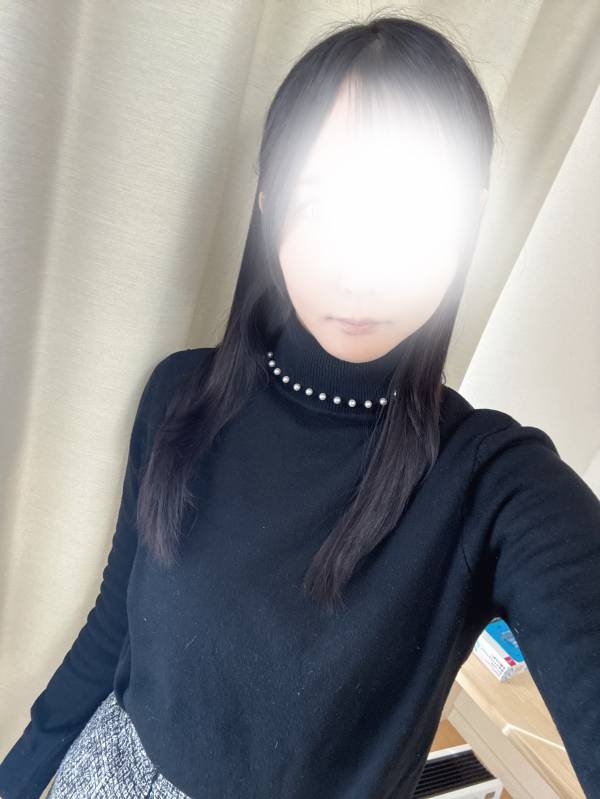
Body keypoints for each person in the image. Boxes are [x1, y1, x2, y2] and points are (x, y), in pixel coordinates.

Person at [1, 13, 599, 799]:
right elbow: (114, 627)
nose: (359, 269)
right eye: (320, 207)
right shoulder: (179, 396)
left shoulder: (494, 483)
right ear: (268, 201)